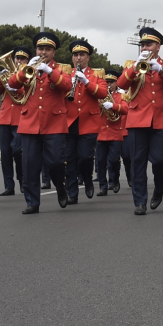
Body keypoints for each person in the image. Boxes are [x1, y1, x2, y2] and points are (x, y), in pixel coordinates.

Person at [116, 27, 163, 215]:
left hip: (162, 119)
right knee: (138, 162)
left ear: (158, 47)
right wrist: (135, 68)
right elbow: (121, 85)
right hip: (138, 119)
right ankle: (140, 202)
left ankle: (159, 190)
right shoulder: (133, 64)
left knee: (161, 160)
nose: (145, 47)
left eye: (149, 44)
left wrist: (161, 70)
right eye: (143, 45)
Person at [8, 31, 72, 214]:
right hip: (30, 122)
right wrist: (25, 70)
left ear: (54, 52)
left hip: (54, 122)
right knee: (30, 164)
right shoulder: (28, 67)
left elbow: (67, 86)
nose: (43, 52)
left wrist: (50, 71)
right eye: (40, 48)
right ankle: (32, 202)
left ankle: (60, 187)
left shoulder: (62, 69)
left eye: (47, 49)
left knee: (56, 162)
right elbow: (12, 84)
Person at [64, 40, 109, 203]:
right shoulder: (65, 74)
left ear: (88, 57)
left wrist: (86, 82)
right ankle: (72, 193)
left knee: (85, 157)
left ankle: (88, 180)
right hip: (69, 121)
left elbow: (103, 93)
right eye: (75, 55)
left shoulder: (96, 75)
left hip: (89, 121)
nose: (78, 58)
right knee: (69, 159)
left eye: (82, 55)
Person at [0, 46, 31, 196]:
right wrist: (1, 80)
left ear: (27, 61)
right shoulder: (8, 74)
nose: (18, 61)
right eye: (17, 58)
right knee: (5, 153)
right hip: (5, 117)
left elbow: (30, 91)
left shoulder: (29, 74)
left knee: (18, 151)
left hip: (20, 117)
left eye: (22, 59)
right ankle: (8, 185)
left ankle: (23, 182)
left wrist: (16, 88)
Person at [95, 69, 127, 196]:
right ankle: (103, 186)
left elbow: (125, 109)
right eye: (106, 81)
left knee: (113, 160)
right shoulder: (99, 95)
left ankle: (114, 180)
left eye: (111, 82)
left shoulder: (121, 96)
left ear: (116, 83)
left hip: (115, 133)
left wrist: (113, 106)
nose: (109, 84)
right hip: (101, 132)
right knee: (101, 161)